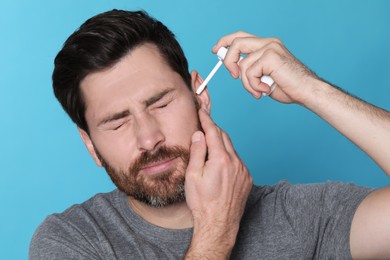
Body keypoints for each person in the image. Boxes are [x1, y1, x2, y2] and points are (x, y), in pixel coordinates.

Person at [29, 9, 390, 259]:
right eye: (118, 122)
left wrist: (312, 90)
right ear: (90, 145)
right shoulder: (72, 240)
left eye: (159, 103)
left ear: (200, 96)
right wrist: (216, 231)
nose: (148, 138)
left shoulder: (299, 217)